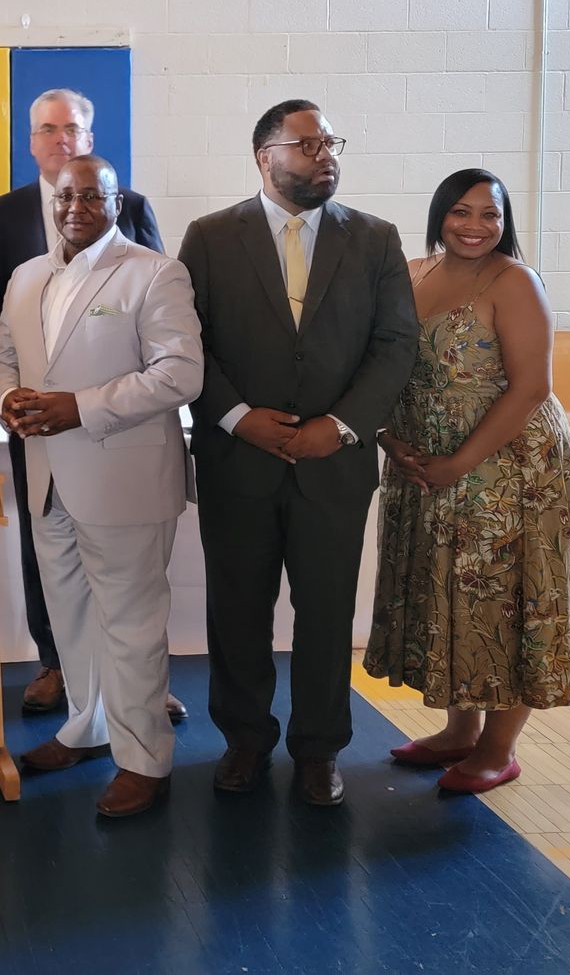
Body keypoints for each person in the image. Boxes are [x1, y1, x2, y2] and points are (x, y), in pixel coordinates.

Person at [177, 99, 416, 807]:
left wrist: (339, 425)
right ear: (265, 156)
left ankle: (319, 749)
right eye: (308, 145)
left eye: (331, 143)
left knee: (325, 613)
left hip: (332, 464)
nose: (325, 156)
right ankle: (245, 740)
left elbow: (395, 344)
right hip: (238, 461)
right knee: (239, 611)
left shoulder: (374, 239)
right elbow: (188, 342)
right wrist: (237, 417)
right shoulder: (211, 237)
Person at [364, 168, 570, 793]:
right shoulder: (413, 272)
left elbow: (532, 387)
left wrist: (457, 463)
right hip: (425, 464)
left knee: (506, 598)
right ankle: (459, 731)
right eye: (461, 212)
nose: (474, 226)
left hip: (509, 471)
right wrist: (389, 437)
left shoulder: (516, 282)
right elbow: (382, 363)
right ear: (439, 214)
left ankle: (499, 748)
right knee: (452, 595)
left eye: (489, 215)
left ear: (505, 223)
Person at [0, 156, 203, 819]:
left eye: (93, 195)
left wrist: (76, 406)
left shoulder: (153, 272)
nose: (76, 206)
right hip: (48, 478)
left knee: (132, 626)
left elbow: (181, 374)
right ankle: (87, 727)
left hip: (124, 479)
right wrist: (8, 398)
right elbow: (2, 356)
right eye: (66, 195)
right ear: (50, 200)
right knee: (73, 618)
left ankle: (146, 761)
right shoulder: (26, 276)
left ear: (117, 202)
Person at [0, 87, 184, 722]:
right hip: (39, 442)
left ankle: (140, 711)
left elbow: (163, 340)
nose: (61, 140)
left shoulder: (140, 235)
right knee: (57, 577)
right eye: (48, 130)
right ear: (32, 142)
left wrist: (79, 406)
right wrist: (6, 395)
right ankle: (61, 673)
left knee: (130, 605)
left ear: (91, 141)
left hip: (118, 449)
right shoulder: (5, 219)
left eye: (73, 129)